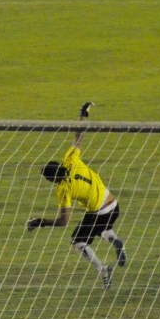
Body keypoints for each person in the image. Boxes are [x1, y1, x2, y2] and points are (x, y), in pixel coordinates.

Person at [27, 102, 128, 289]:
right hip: (113, 204)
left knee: (78, 240)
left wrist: (40, 221)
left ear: (52, 180)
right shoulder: (71, 158)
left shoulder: (63, 189)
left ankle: (103, 269)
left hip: (99, 211)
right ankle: (115, 240)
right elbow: (79, 134)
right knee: (98, 225)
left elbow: (64, 221)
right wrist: (83, 114)